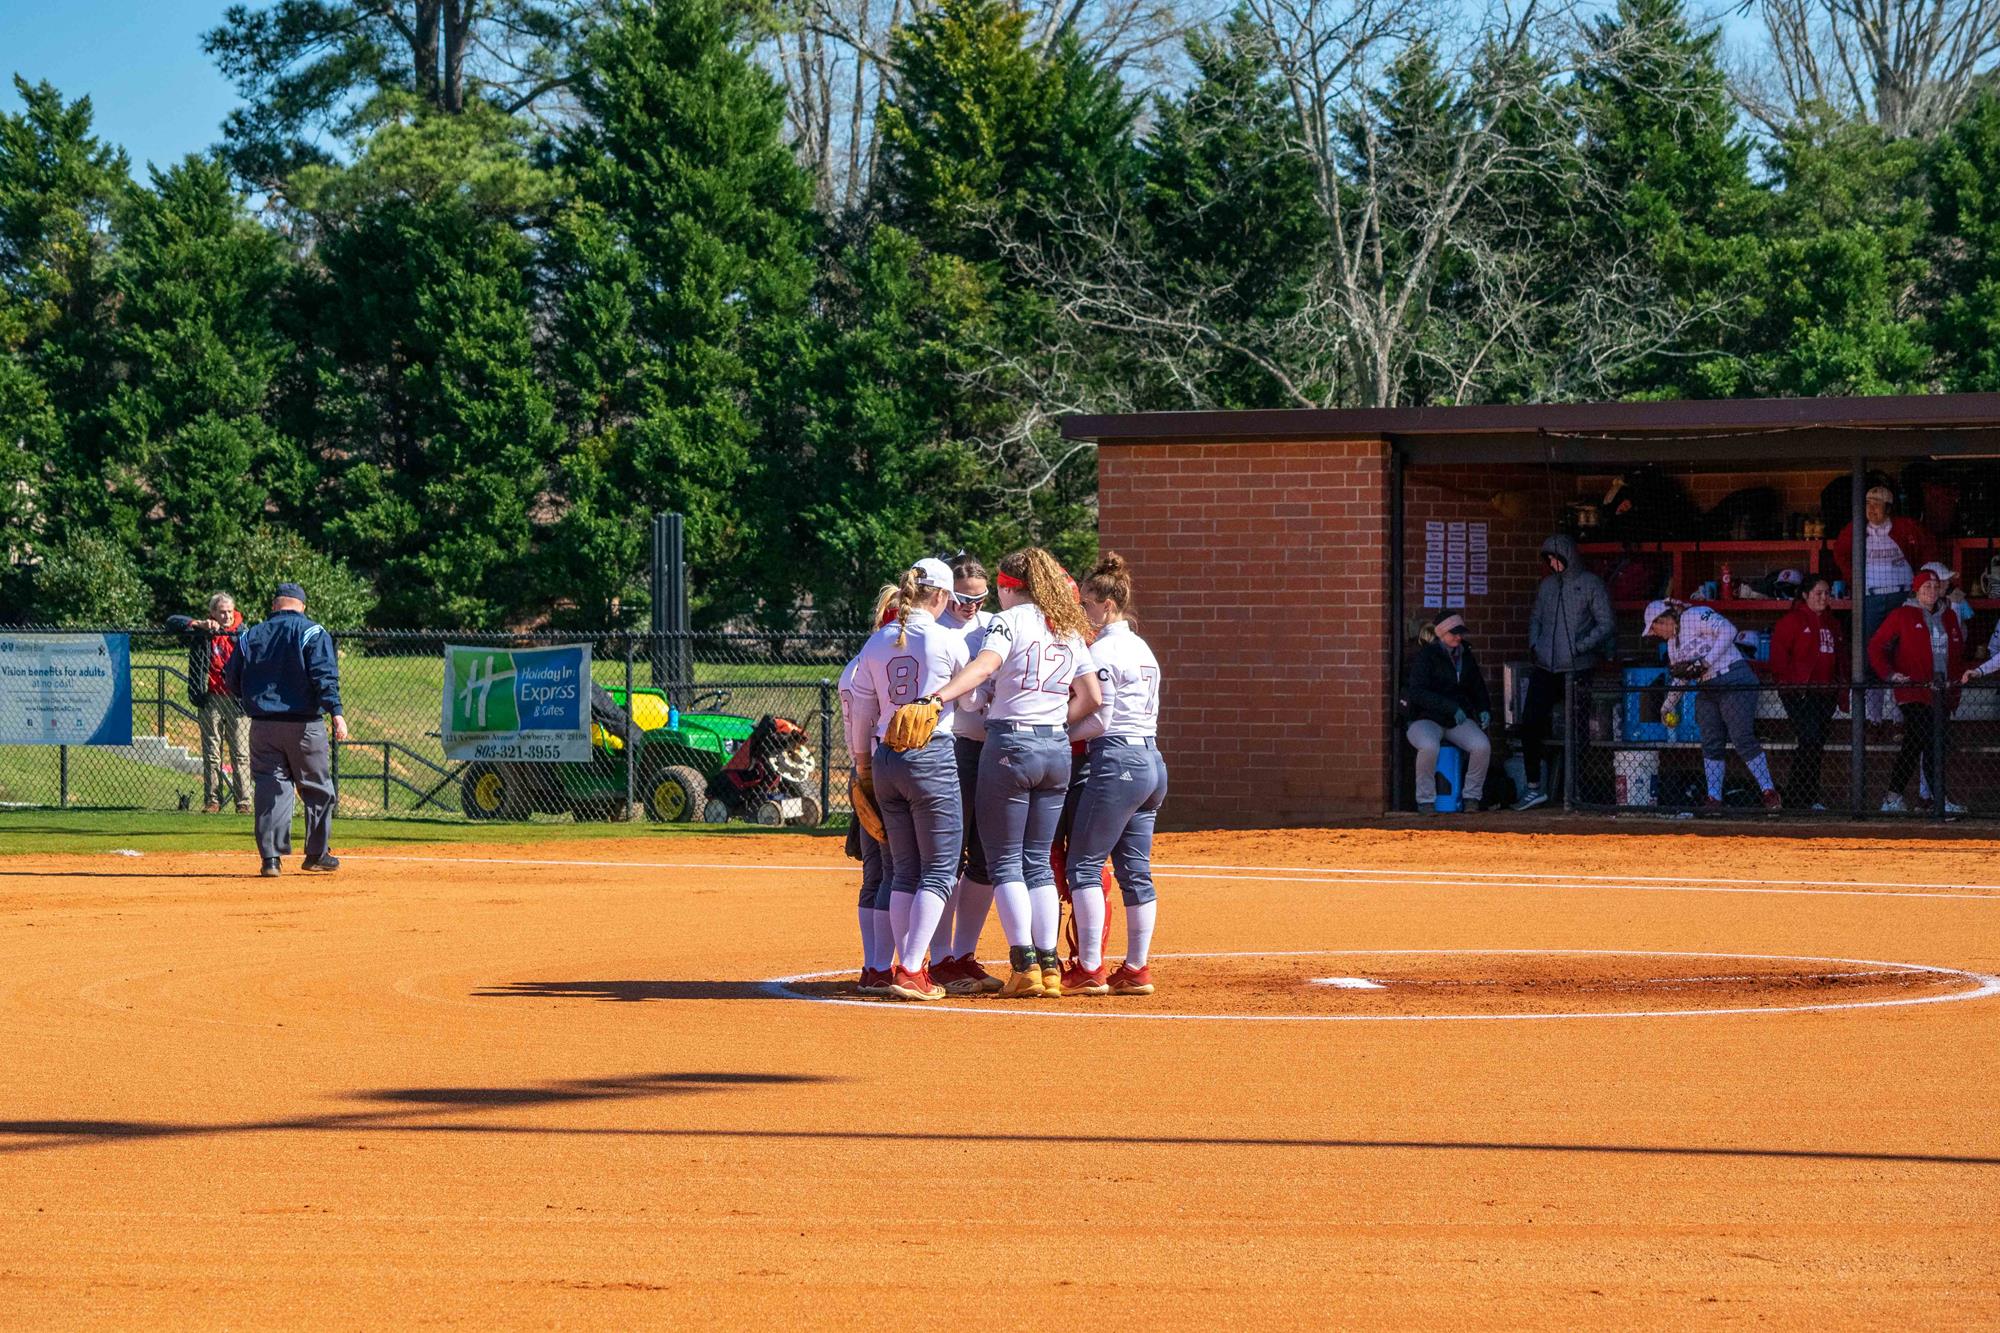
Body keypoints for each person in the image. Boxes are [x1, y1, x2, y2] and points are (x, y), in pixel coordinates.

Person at [922, 547, 1102, 999]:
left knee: (1003, 862)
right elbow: (1092, 697)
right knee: (1037, 860)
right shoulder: (1066, 624)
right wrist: (1053, 723)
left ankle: (1025, 965)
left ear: (1006, 587)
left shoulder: (1009, 620)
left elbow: (985, 666)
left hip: (1009, 744)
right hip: (1054, 747)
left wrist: (938, 697)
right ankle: (1049, 964)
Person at [847, 559, 970, 1002]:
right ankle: (913, 969)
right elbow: (972, 699)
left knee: (903, 870)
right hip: (930, 753)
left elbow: (862, 711)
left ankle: (902, 964)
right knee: (939, 870)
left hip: (884, 757)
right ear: (940, 596)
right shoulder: (946, 639)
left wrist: (863, 766)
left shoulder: (877, 641)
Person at [1062, 553, 1166, 996]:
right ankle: (1136, 967)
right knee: (1135, 871)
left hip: (1117, 760)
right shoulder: (1142, 647)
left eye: (1087, 603)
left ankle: (1089, 967)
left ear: (1106, 604)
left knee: (1083, 865)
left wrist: (1057, 732)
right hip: (1151, 760)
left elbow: (1098, 720)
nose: (1083, 611)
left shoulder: (1103, 650)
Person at [224, 583, 347, 876]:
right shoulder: (312, 632)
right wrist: (336, 712)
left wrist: (254, 699)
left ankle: (271, 859)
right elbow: (324, 675)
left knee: (271, 788)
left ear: (274, 605)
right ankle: (316, 854)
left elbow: (231, 678)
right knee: (317, 788)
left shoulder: (250, 635)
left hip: (263, 726)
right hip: (304, 725)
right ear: (302, 606)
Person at [930, 553, 1003, 996]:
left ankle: (963, 954)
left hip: (991, 748)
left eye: (979, 598)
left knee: (985, 858)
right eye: (962, 598)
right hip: (951, 748)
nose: (970, 607)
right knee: (949, 857)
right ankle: (939, 958)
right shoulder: (934, 627)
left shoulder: (992, 624)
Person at [1644, 599, 1780, 812]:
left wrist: (1705, 662)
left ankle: (1769, 791)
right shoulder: (1672, 644)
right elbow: (1681, 678)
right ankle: (1714, 798)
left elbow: (1729, 630)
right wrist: (1666, 706)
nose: (1655, 634)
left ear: (1662, 620)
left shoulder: (1694, 615)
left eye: (1654, 628)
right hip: (1707, 688)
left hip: (1733, 677)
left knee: (1741, 737)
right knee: (1710, 741)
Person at [1515, 534, 1614, 811]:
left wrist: (1580, 647)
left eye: (1556, 558)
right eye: (1548, 559)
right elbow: (1536, 618)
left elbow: (1606, 623)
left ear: (1568, 557)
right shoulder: (1547, 585)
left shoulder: (1591, 584)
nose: (1552, 563)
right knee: (1530, 722)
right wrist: (1534, 645)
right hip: (1545, 666)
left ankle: (1578, 790)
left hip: (1577, 668)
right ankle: (1534, 786)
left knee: (1578, 730)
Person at [840, 584, 901, 996]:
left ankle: (873, 966)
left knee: (874, 873)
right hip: (886, 767)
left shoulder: (855, 663)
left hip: (860, 770)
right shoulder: (887, 661)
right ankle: (884, 966)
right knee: (896, 871)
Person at [1833, 485, 1934, 724]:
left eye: (1877, 505)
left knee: (1903, 653)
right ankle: (1873, 718)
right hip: (1871, 598)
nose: (1872, 509)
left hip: (1903, 597)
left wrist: (1922, 583)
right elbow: (1840, 553)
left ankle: (1901, 715)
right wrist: (1854, 580)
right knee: (1871, 654)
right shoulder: (1855, 530)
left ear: (1889, 508)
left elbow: (1926, 551)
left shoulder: (1906, 527)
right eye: (1868, 504)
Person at [1869, 568, 1966, 814]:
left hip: (1941, 692)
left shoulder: (1949, 616)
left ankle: (1896, 797)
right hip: (1913, 691)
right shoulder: (1902, 615)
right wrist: (1891, 674)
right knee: (1928, 740)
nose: (1932, 591)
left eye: (1935, 586)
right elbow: (1876, 646)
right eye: (1926, 587)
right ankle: (1936, 800)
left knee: (1916, 744)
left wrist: (1954, 689)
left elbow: (1956, 654)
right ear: (1916, 590)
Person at [166, 593, 250, 814]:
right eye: (222, 612)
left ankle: (243, 802)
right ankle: (213, 800)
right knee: (212, 752)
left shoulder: (243, 633)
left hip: (237, 699)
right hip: (210, 697)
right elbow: (171, 622)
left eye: (230, 611)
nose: (227, 616)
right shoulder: (204, 631)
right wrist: (199, 624)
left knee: (240, 753)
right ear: (213, 613)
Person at [1404, 611, 1491, 816]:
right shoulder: (1426, 656)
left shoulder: (1465, 655)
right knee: (1428, 746)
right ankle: (1425, 800)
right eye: (1453, 633)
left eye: (1460, 633)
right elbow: (1418, 693)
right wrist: (1450, 707)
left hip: (1454, 720)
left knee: (1481, 746)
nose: (1458, 637)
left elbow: (1477, 687)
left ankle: (1472, 797)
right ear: (1441, 633)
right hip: (1425, 718)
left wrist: (1483, 709)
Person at [1768, 574, 1843, 811]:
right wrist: (1789, 685)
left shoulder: (1832, 623)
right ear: (1805, 595)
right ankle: (1797, 797)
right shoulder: (1791, 621)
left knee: (1816, 743)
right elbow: (1779, 659)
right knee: (1809, 739)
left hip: (1825, 693)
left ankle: (1807, 797)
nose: (1824, 597)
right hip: (1799, 693)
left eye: (1827, 593)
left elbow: (1840, 658)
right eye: (1818, 593)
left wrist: (1839, 690)